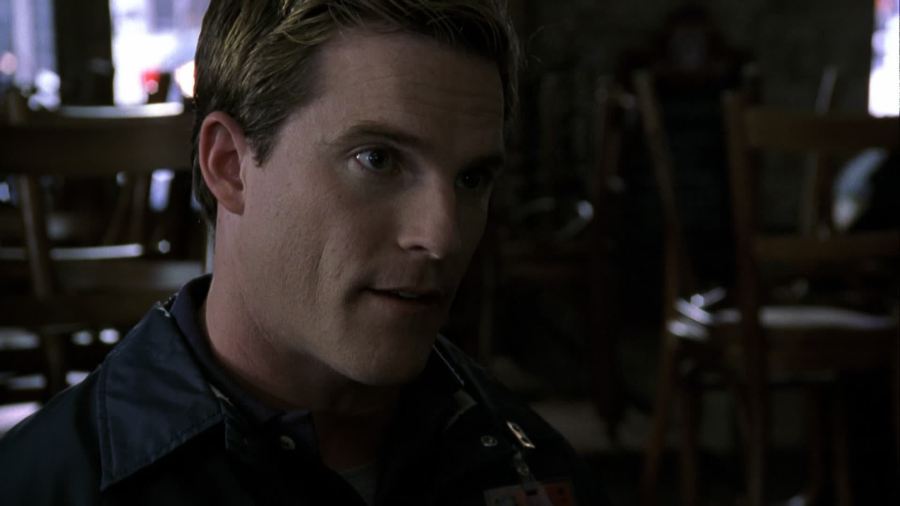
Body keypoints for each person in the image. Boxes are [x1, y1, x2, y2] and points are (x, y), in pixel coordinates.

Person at [0, 1, 605, 504]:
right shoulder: (47, 486)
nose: (441, 236)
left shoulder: (530, 467)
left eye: (471, 179)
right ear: (229, 166)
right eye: (377, 159)